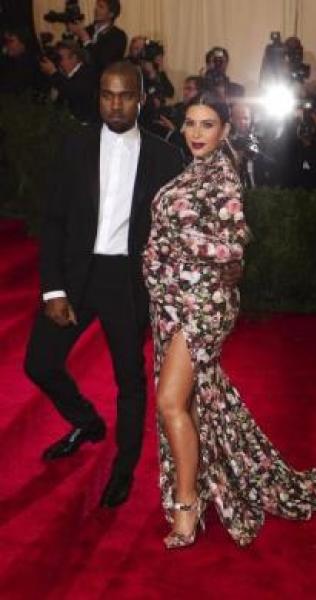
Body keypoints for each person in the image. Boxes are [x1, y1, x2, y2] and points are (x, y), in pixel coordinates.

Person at [142, 93, 316, 549]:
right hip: (173, 303)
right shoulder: (192, 172)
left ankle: (187, 505)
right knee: (189, 401)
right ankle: (196, 489)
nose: (196, 133)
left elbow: (233, 246)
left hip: (204, 306)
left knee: (169, 401)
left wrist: (178, 248)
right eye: (191, 123)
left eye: (207, 124)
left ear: (224, 130)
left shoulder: (225, 179)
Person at [24, 61, 183, 508]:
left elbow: (175, 237)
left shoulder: (165, 158)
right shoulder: (73, 146)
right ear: (98, 96)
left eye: (126, 94)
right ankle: (87, 422)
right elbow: (53, 221)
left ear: (142, 98)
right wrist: (53, 289)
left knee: (129, 382)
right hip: (76, 275)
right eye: (108, 94)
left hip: (126, 282)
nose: (116, 103)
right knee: (39, 363)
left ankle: (123, 468)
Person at [39, 41, 97, 123]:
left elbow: (72, 92)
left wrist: (53, 73)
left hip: (84, 125)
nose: (59, 62)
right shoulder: (62, 76)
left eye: (61, 58)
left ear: (74, 58)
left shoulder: (86, 72)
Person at [68, 0, 127, 77]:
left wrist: (86, 39)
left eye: (101, 7)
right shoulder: (87, 30)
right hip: (81, 80)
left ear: (111, 14)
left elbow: (102, 62)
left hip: (103, 82)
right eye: (96, 5)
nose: (96, 9)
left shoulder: (118, 36)